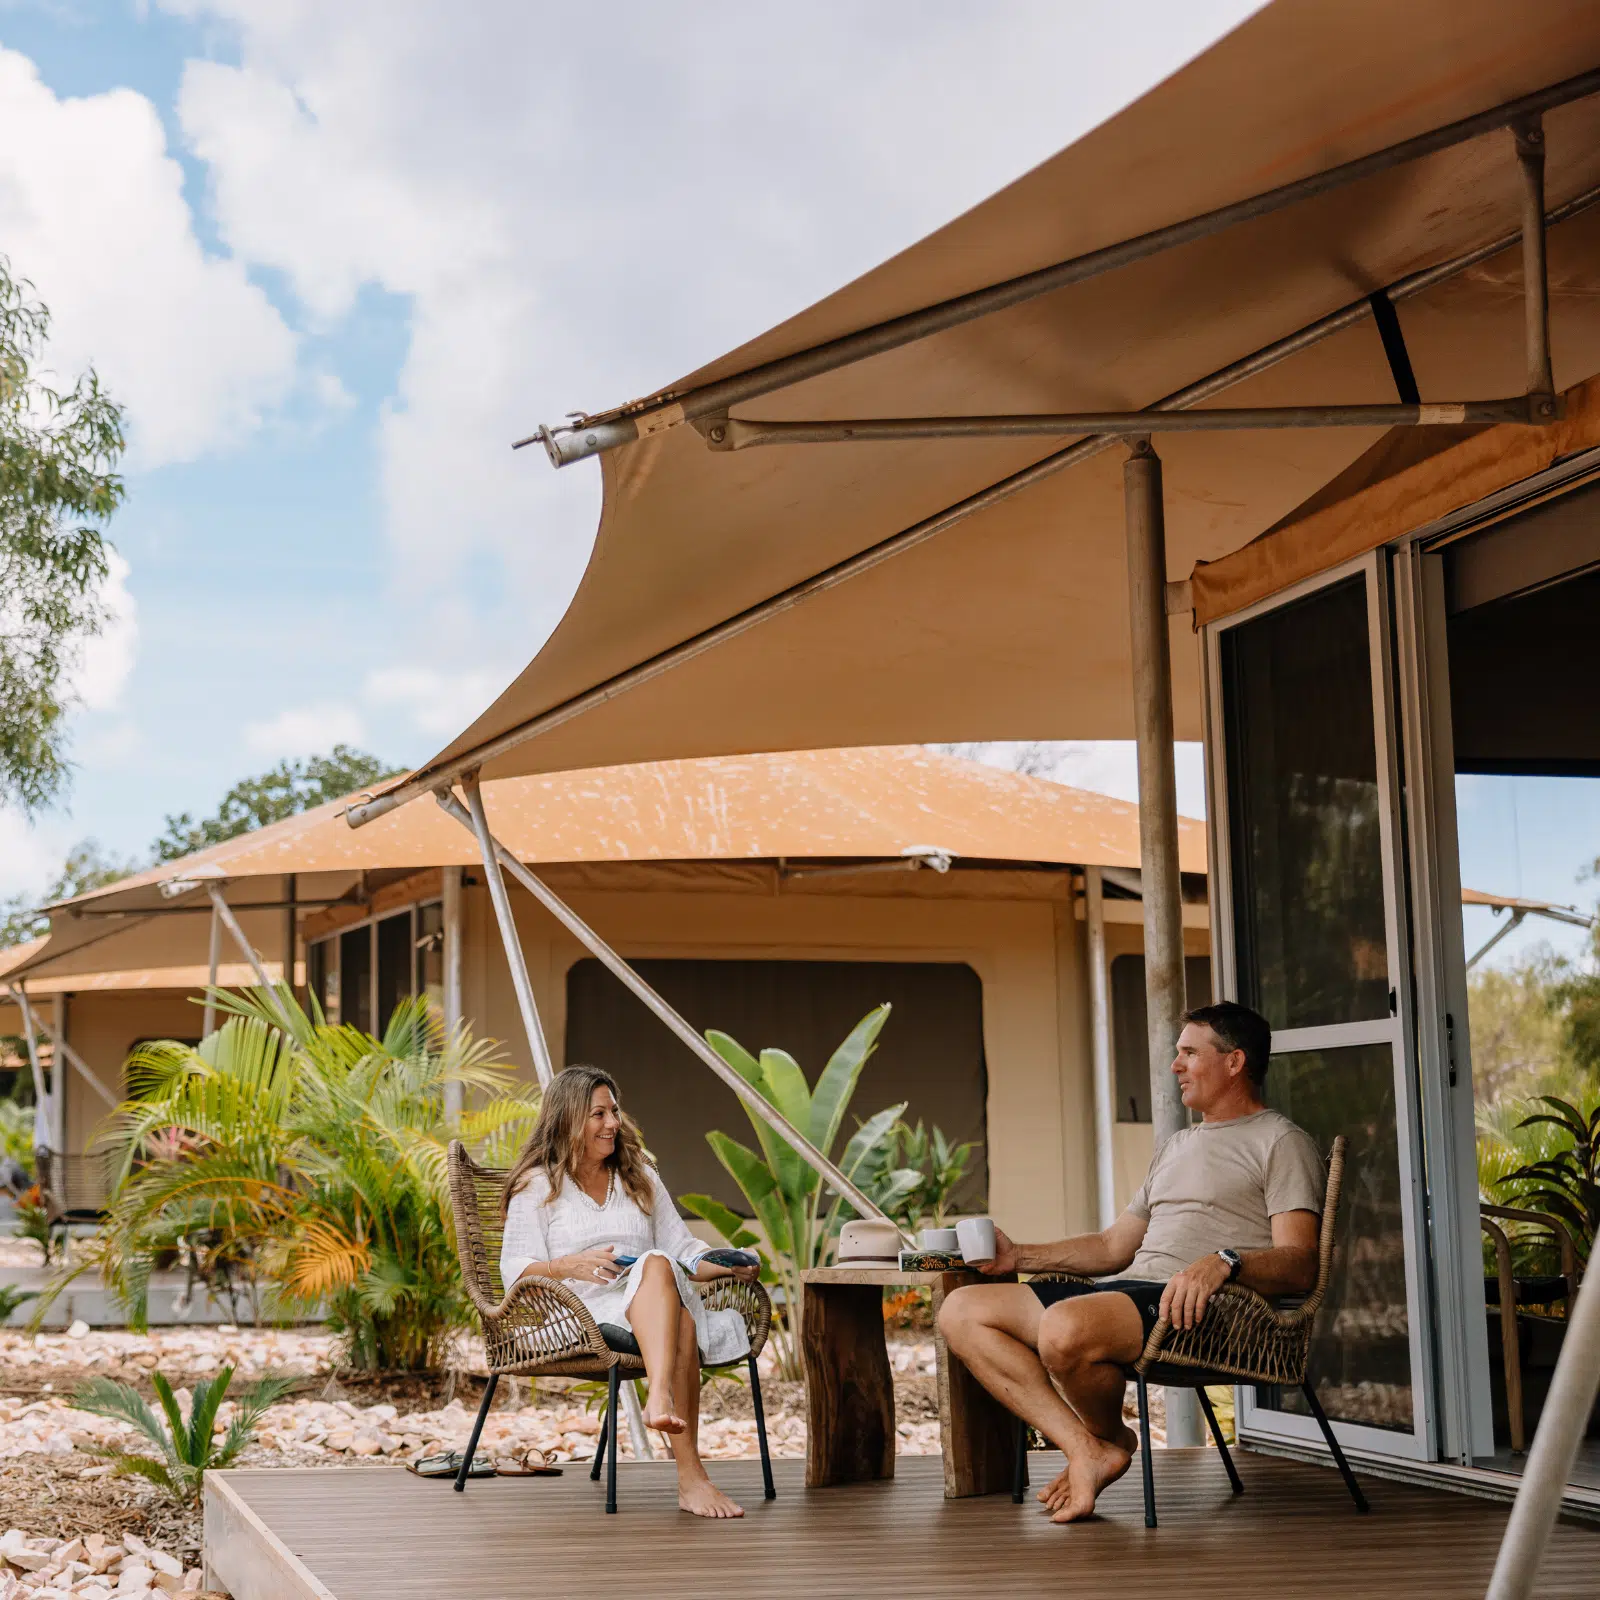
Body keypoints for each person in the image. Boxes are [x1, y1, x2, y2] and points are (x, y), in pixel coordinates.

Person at [938, 1001, 1325, 1525]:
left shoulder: (1281, 1142)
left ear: (1235, 1062)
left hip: (1205, 1308)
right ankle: (1092, 1446)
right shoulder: (1178, 1145)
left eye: (1189, 1052)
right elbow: (1113, 1247)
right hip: (1132, 1293)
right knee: (962, 1310)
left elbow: (1301, 1264)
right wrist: (1018, 1255)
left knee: (1064, 1328)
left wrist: (1224, 1262)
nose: (1175, 1065)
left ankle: (1098, 1444)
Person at [500, 1064, 760, 1519]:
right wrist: (569, 1264)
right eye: (598, 1114)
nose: (613, 1123)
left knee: (658, 1265)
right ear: (567, 1119)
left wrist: (727, 1263)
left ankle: (659, 1400)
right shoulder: (538, 1185)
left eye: (614, 1111)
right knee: (675, 1308)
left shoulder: (638, 1175)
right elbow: (514, 1271)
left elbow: (682, 1250)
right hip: (581, 1311)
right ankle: (690, 1477)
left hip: (651, 1296)